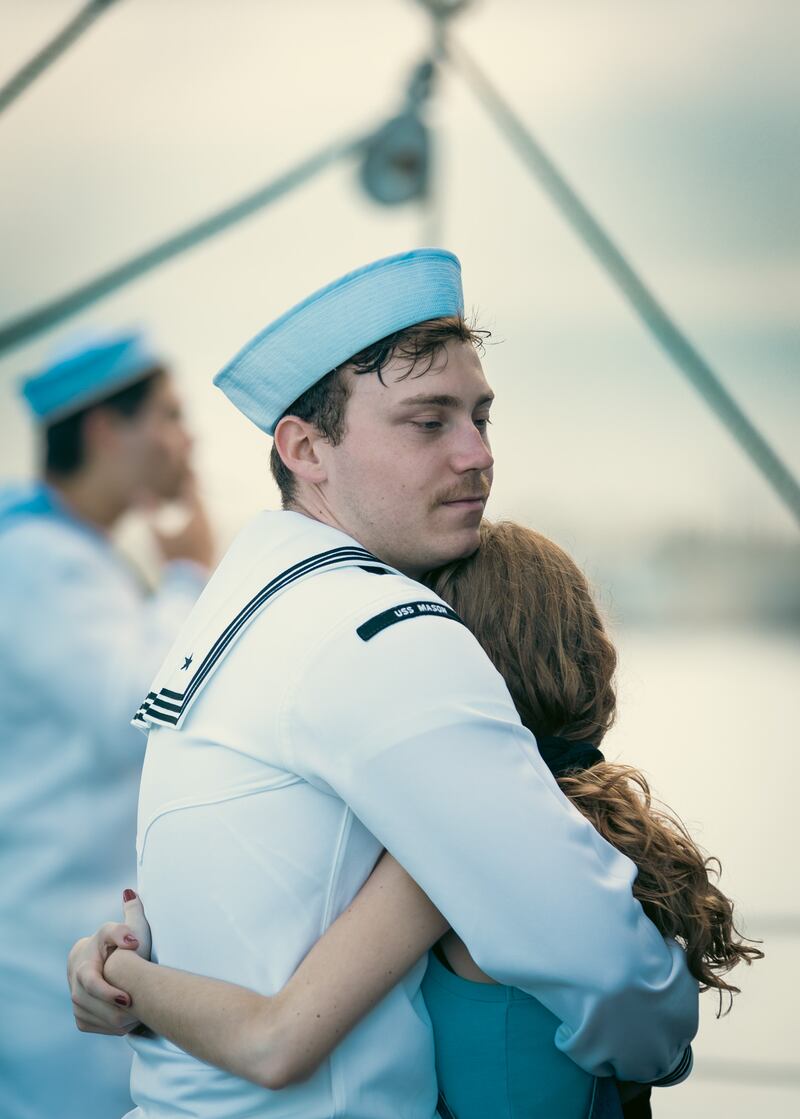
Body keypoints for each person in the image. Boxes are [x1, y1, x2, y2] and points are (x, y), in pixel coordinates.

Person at [68, 250, 698, 1118]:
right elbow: (606, 968)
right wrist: (665, 1036)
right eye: (428, 422)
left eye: (480, 415)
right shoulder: (378, 633)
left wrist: (121, 970)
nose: (477, 454)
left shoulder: (230, 618)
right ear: (306, 449)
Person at [74, 520, 763, 1118]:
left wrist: (123, 974)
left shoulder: (444, 858)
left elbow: (273, 1039)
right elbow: (650, 1042)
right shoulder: (593, 838)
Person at [0, 332, 214, 1119]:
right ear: (102, 432)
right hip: (41, 965)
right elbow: (139, 712)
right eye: (167, 416)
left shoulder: (65, 552)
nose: (186, 440)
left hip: (66, 952)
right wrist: (190, 571)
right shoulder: (35, 561)